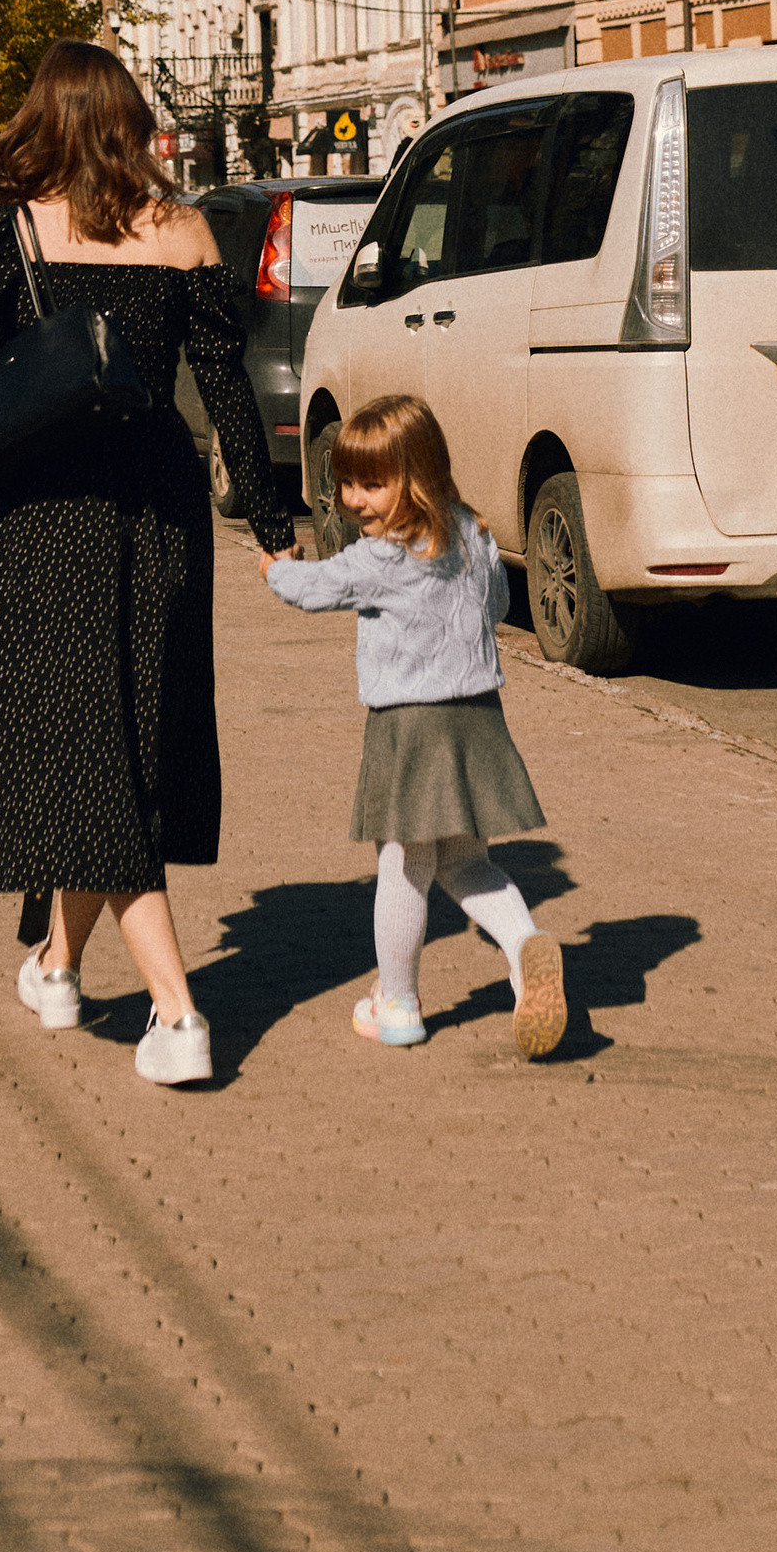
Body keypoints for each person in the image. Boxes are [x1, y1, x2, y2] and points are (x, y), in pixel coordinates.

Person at [0, 39, 288, 1089]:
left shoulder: (2, 237)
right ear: (129, 120)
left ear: (41, 121)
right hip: (163, 514)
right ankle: (55, 963)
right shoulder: (185, 231)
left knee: (90, 760)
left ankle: (178, 1015)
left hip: (47, 519)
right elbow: (227, 395)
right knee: (124, 749)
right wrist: (274, 528)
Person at [262, 391, 566, 1060]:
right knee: (466, 859)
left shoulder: (383, 556)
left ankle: (396, 1002)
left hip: (409, 726)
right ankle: (524, 948)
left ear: (417, 475)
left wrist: (275, 569)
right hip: (477, 717)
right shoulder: (474, 534)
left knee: (402, 864)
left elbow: (314, 590)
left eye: (372, 484)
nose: (355, 499)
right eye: (346, 483)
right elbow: (499, 603)